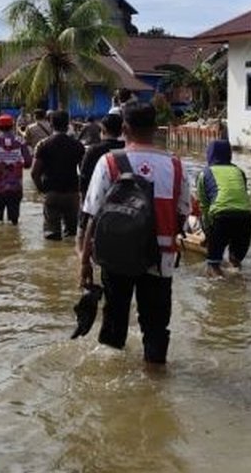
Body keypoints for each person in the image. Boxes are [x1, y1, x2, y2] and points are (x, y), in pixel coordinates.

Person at [78, 101, 190, 366]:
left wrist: (84, 261)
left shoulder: (109, 162)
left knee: (114, 321)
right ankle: (155, 378)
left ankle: (113, 379)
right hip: (160, 259)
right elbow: (183, 213)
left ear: (124, 128)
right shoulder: (175, 165)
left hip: (117, 256)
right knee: (155, 327)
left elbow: (91, 214)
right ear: (155, 129)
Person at [196, 140, 251, 277]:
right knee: (235, 260)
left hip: (220, 217)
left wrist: (208, 235)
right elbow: (241, 195)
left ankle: (220, 292)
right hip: (246, 217)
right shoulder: (239, 171)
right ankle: (239, 286)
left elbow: (204, 207)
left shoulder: (204, 173)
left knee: (213, 264)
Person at [32, 110, 86, 240]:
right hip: (72, 194)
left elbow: (34, 172)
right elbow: (83, 171)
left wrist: (41, 188)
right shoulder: (77, 145)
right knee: (73, 234)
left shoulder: (43, 145)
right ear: (67, 125)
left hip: (52, 192)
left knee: (51, 236)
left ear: (51, 124)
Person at [0, 114, 32, 224]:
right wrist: (17, 164)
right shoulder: (20, 141)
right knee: (14, 222)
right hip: (16, 187)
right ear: (12, 125)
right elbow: (28, 163)